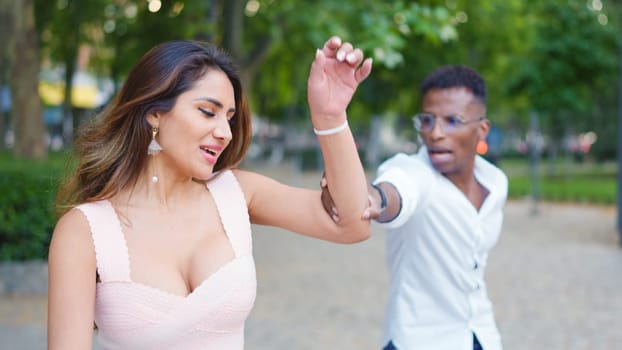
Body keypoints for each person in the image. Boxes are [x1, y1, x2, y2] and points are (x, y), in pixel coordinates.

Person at [47, 36, 372, 349]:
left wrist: (330, 116)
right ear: (154, 114)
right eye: (208, 111)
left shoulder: (237, 193)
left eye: (229, 118)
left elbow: (352, 224)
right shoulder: (85, 231)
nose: (225, 133)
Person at [322, 65, 508, 350]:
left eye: (452, 121)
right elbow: (391, 192)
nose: (435, 133)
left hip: (481, 335)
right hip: (419, 341)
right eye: (427, 120)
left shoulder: (496, 183)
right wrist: (368, 198)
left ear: (482, 130)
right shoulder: (415, 173)